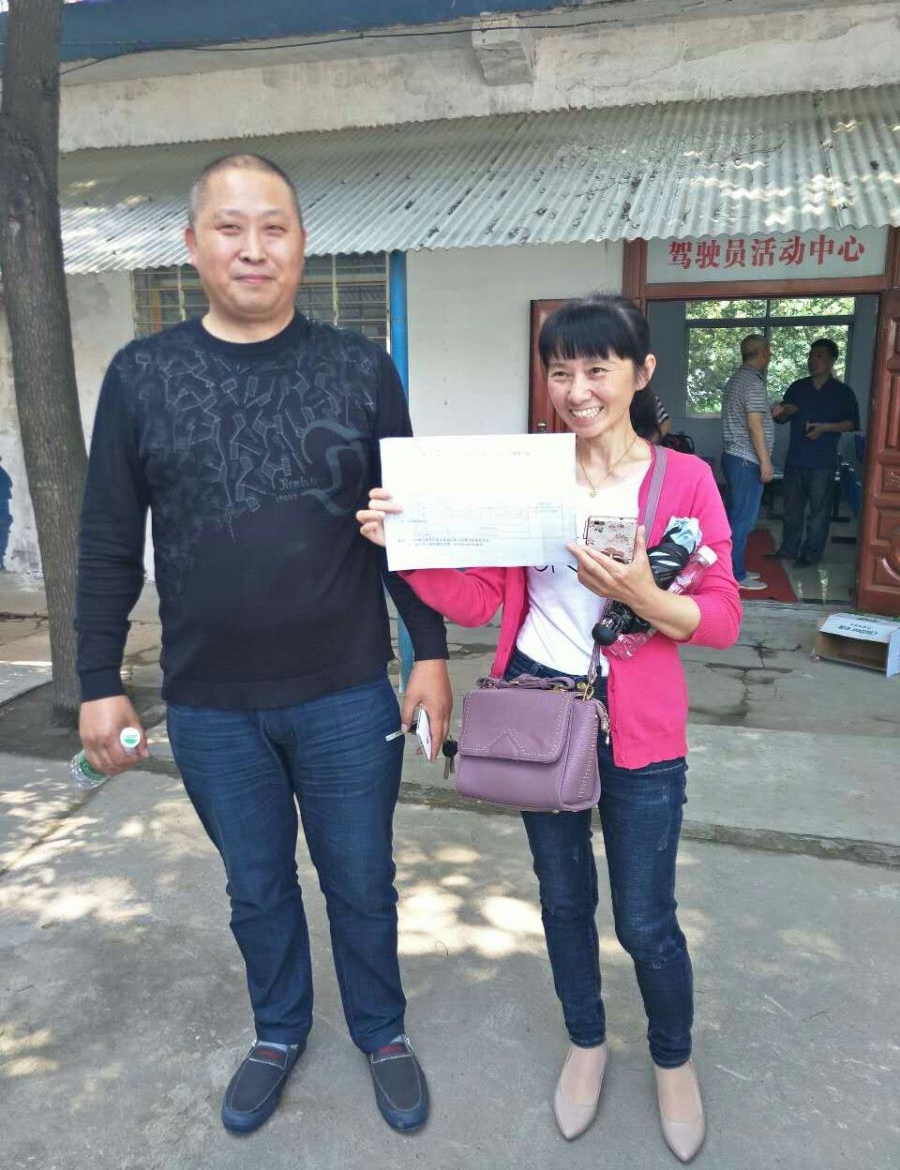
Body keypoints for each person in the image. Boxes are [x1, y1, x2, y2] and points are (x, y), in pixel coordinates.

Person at [76, 153, 453, 1136]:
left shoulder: (360, 368)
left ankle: (381, 1031)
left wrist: (431, 653)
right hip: (210, 703)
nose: (253, 248)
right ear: (193, 243)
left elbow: (406, 523)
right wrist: (97, 678)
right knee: (255, 887)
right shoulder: (141, 377)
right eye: (231, 226)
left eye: (273, 227)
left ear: (302, 243)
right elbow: (109, 539)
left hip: (345, 692)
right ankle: (280, 1029)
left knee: (362, 880)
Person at [358, 295, 742, 1162]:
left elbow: (720, 619)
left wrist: (644, 596)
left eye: (597, 369)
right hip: (539, 713)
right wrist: (404, 550)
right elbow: (482, 600)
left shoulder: (683, 481)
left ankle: (672, 1059)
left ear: (640, 373)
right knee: (563, 900)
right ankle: (586, 1041)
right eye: (561, 371)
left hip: (641, 729)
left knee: (645, 920)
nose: (577, 390)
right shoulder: (529, 474)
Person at [768, 338, 860, 567]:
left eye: (819, 355)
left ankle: (810, 554)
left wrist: (825, 428)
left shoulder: (842, 392)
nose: (813, 360)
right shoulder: (798, 387)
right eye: (811, 355)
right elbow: (781, 418)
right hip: (795, 460)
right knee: (791, 510)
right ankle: (788, 549)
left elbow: (851, 423)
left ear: (832, 360)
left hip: (823, 462)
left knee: (819, 513)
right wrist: (780, 412)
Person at [720, 335, 774, 592]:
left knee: (736, 518)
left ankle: (733, 568)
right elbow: (754, 425)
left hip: (735, 457)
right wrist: (766, 462)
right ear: (763, 353)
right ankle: (734, 574)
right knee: (742, 521)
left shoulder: (737, 379)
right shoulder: (753, 383)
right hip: (746, 460)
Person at [0, 455, 11, 571]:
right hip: (3, 513)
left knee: (2, 536)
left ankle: (0, 561)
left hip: (2, 512)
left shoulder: (3, 476)